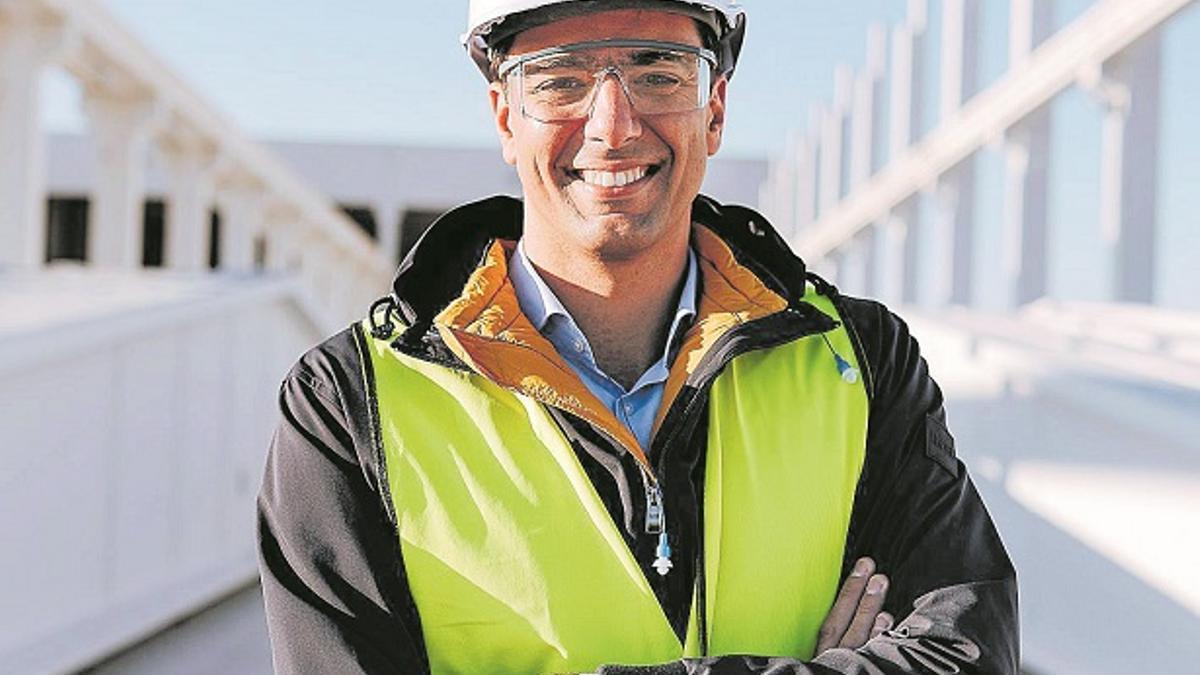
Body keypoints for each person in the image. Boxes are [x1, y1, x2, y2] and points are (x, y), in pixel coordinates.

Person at [257, 1, 1019, 673]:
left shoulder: (859, 362)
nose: (613, 126)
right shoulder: (350, 409)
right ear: (504, 117)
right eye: (560, 78)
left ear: (714, 110)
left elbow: (967, 651)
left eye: (660, 73)